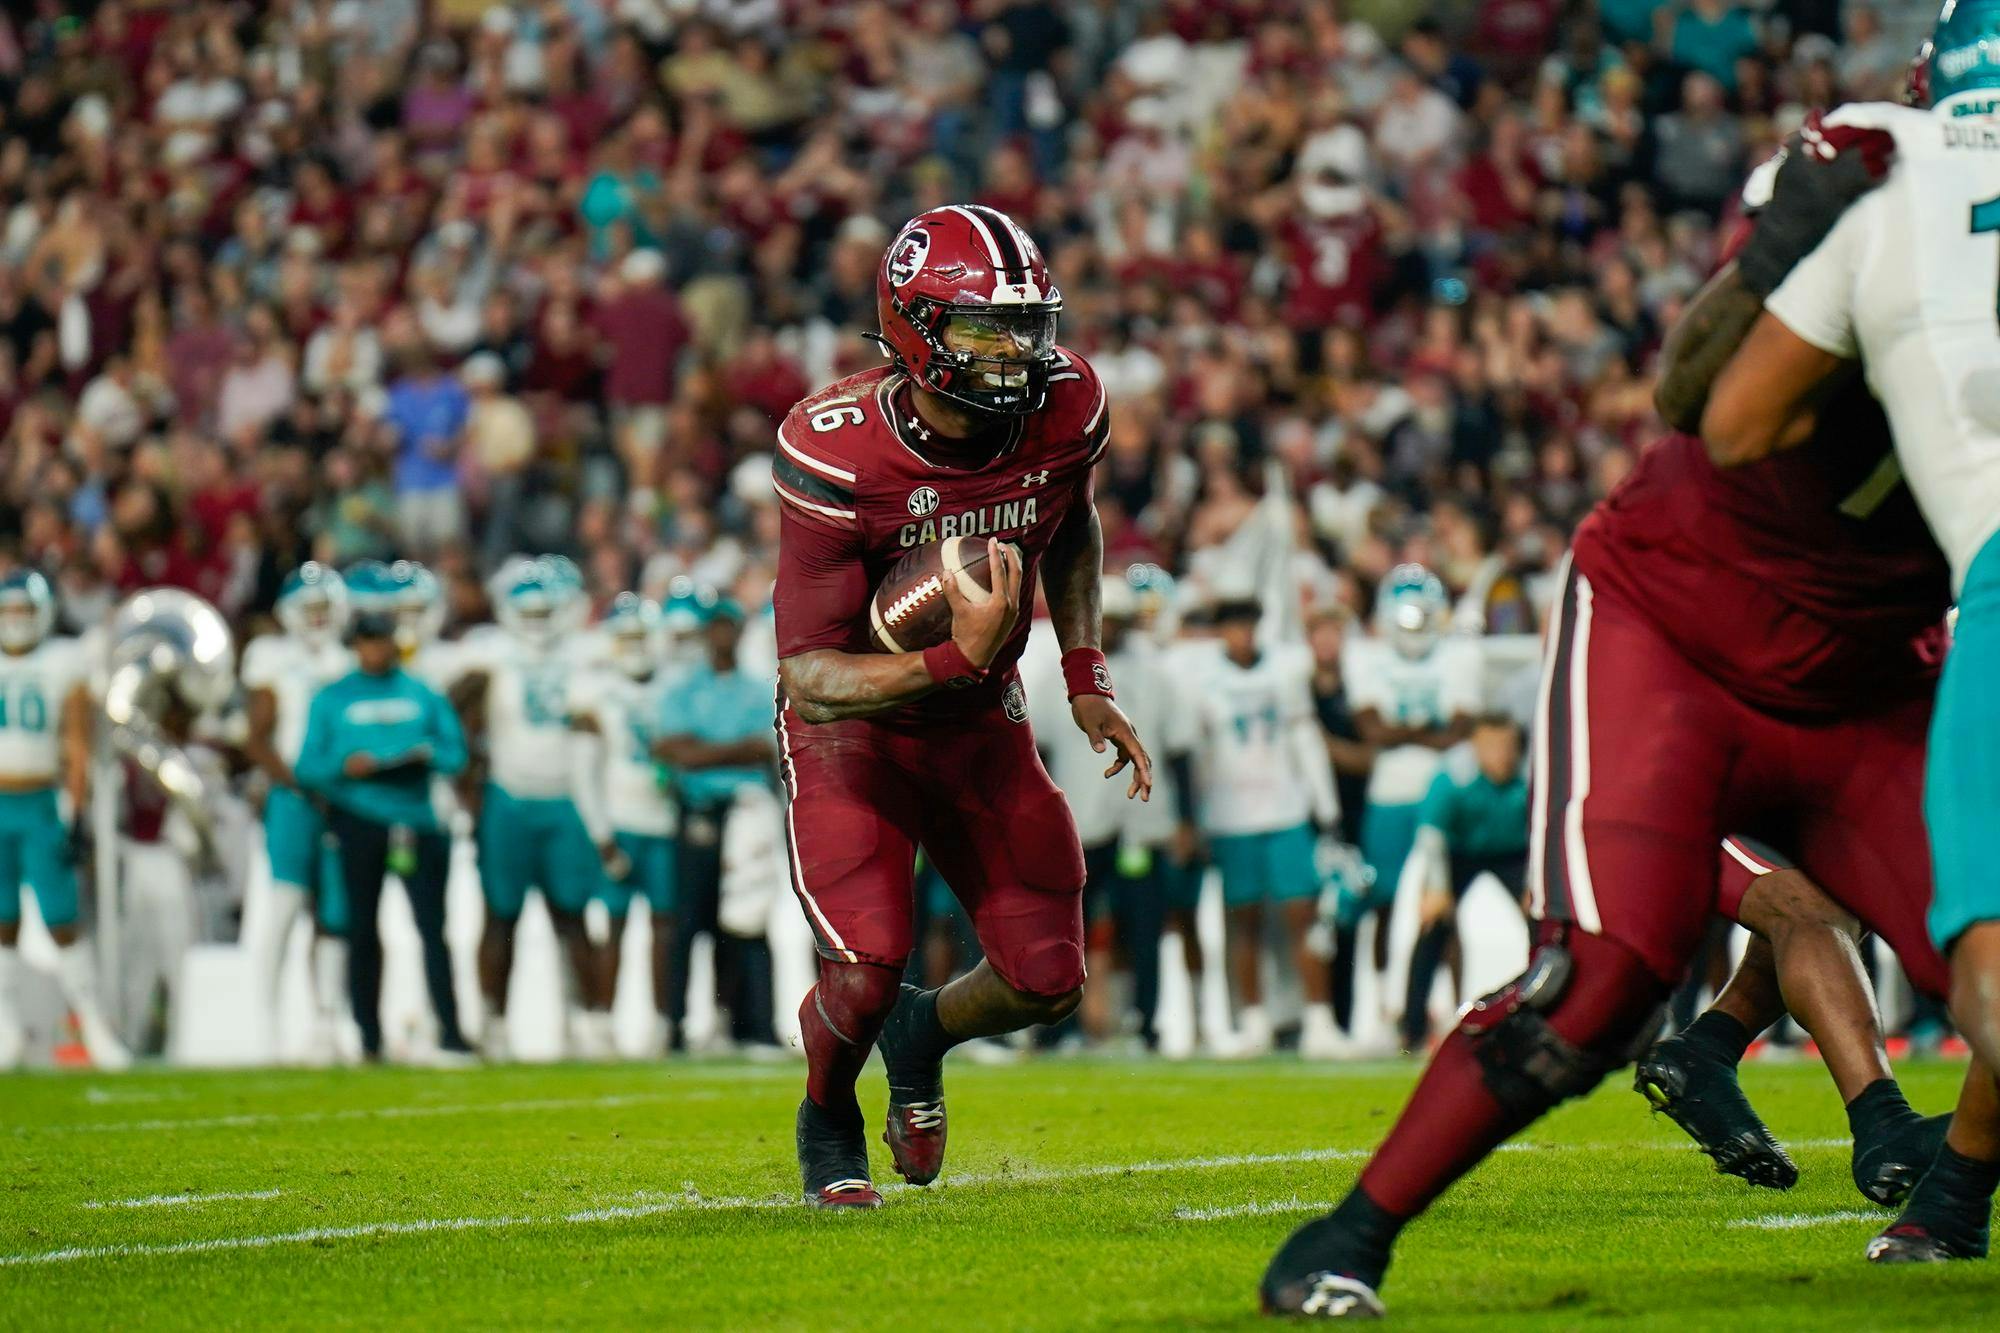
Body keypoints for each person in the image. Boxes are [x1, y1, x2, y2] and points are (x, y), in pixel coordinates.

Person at [1259, 90, 1950, 1317]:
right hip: (1674, 634)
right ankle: (1349, 1234)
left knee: (1983, 948)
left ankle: (1931, 1184)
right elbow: (1710, 407)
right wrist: (1803, 245)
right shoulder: (1872, 183)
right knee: (1601, 977)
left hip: (1864, 671)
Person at [773, 204, 1152, 1208]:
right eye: (986, 326)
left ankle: (922, 1029)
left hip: (979, 720)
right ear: (914, 326)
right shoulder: (837, 450)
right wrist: (946, 658)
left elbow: (1068, 526)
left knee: (1045, 974)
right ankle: (827, 1111)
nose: (1017, 352)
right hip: (853, 732)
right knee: (864, 965)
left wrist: (1084, 674)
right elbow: (807, 676)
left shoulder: (1064, 407)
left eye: (1027, 325)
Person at [1701, 11, 2000, 1262]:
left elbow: (1722, 418)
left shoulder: (1893, 190)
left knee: (1973, 946)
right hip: (1906, 607)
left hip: (1929, 589)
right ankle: (1939, 1191)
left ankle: (1900, 1154)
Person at [293, 606, 470, 1064]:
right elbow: (308, 765)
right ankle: (368, 1036)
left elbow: (456, 753)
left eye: (382, 640)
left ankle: (450, 1029)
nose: (376, 649)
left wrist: (424, 756)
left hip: (418, 820)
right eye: (367, 641)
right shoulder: (332, 698)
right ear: (355, 645)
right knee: (362, 929)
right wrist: (345, 767)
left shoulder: (422, 692)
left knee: (432, 928)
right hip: (360, 819)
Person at [453, 559, 600, 1060]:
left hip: (566, 798)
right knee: (501, 915)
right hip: (508, 797)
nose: (537, 622)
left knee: (575, 916)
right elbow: (450, 704)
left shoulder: (582, 653)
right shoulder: (490, 653)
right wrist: (467, 773)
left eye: (546, 611)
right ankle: (493, 1022)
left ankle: (585, 1021)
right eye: (528, 612)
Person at [1187, 596, 1342, 1058]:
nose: (1242, 635)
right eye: (1233, 626)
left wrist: (1325, 806)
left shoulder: (1283, 672)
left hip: (1286, 810)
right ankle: (1252, 1022)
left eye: (1248, 625)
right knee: (1243, 922)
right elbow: (1199, 755)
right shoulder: (1204, 680)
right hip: (1231, 817)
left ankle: (1320, 1020)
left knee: (1304, 917)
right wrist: (1197, 817)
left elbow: (1305, 736)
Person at [1333, 566, 1479, 1040]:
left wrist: (1404, 732)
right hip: (1390, 796)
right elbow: (1371, 728)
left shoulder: (1459, 655)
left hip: (1443, 794)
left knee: (1446, 907)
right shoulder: (1365, 656)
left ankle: (1456, 1008)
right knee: (1385, 903)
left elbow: (1461, 728)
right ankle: (1384, 1006)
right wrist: (1428, 732)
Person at [0, 570, 128, 1071]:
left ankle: (93, 1025)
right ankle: (6, 1028)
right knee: (2, 920)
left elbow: (77, 745)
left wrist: (75, 812)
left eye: (25, 611)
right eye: (9, 611)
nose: (16, 621)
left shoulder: (62, 660)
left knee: (61, 919)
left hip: (38, 802)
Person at [241, 562, 356, 1063]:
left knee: (334, 912)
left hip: (342, 801)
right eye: (306, 608)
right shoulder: (272, 657)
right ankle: (263, 1023)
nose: (315, 617)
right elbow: (257, 737)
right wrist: (300, 783)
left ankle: (327, 1021)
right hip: (293, 799)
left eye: (322, 607)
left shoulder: (350, 661)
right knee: (285, 907)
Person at [653, 593, 778, 1051]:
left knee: (745, 921)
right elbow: (670, 749)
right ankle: (676, 1028)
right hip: (699, 813)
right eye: (716, 626)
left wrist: (701, 752)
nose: (723, 635)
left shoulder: (755, 688)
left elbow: (764, 749)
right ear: (707, 633)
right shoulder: (683, 688)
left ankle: (751, 1025)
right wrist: (731, 751)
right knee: (689, 921)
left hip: (745, 812)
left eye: (729, 625)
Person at [570, 592, 679, 1056]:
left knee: (664, 926)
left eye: (641, 635)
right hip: (620, 821)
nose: (635, 645)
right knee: (611, 926)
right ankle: (601, 1019)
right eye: (626, 636)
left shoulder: (672, 686)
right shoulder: (594, 691)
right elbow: (582, 770)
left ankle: (659, 1021)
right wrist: (600, 835)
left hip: (666, 820)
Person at [1399, 715, 1528, 1053]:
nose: (1501, 755)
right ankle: (1411, 1029)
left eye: (1508, 747)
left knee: (1545, 922)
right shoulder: (1451, 776)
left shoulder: (1533, 773)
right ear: (1475, 749)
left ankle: (1544, 1017)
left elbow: (1550, 826)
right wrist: (1437, 888)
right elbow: (1431, 835)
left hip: (1516, 851)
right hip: (1458, 853)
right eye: (1492, 747)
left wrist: (1537, 882)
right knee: (1432, 927)